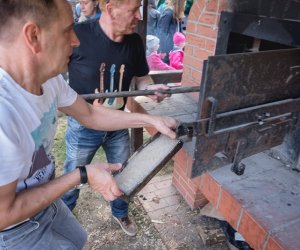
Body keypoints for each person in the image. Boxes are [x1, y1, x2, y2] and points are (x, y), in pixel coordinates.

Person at [0, 0, 177, 249]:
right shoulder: (4, 113)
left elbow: (91, 114)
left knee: (78, 239)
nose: (75, 41)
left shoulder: (49, 81)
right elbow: (3, 215)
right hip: (14, 232)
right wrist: (81, 174)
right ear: (34, 36)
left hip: (45, 204)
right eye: (66, 30)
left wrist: (149, 119)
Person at [62, 0, 171, 237]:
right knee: (73, 177)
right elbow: (58, 77)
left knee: (124, 173)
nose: (139, 17)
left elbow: (143, 79)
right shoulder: (79, 35)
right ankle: (63, 218)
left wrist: (151, 89)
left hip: (118, 124)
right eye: (133, 11)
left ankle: (120, 211)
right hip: (83, 126)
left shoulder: (134, 42)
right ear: (111, 8)